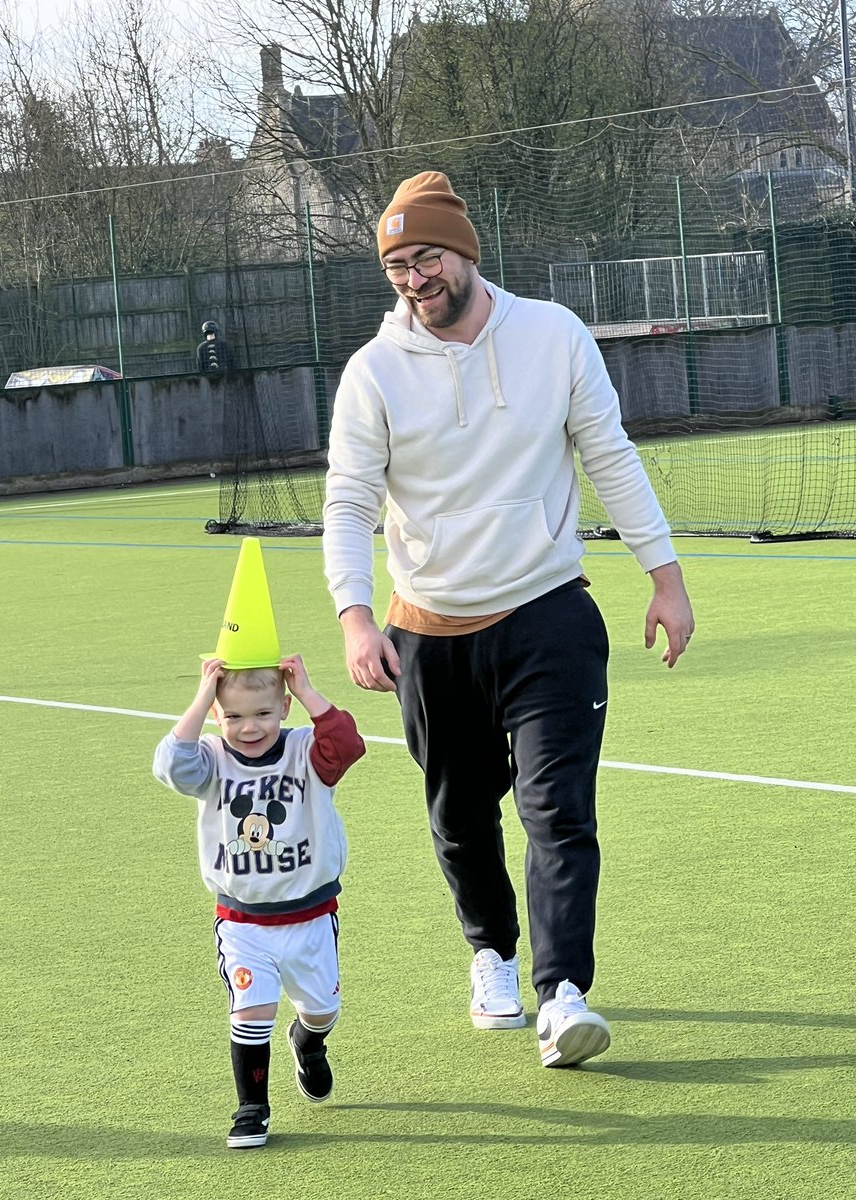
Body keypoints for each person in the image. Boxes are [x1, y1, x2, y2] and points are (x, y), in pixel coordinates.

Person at [322, 171, 695, 1070]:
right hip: (430, 633)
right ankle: (491, 951)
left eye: (431, 257)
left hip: (547, 614)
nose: (417, 278)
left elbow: (609, 454)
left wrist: (666, 578)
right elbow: (348, 500)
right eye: (399, 264)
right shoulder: (373, 372)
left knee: (557, 811)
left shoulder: (553, 336)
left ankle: (563, 995)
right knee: (458, 815)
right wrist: (356, 617)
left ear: (468, 252)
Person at [153, 654, 365, 1147]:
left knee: (321, 1012)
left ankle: (309, 1045)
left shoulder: (305, 750)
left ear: (285, 708)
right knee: (253, 1012)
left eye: (263, 714)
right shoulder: (209, 759)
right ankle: (252, 1109)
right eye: (234, 716)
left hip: (310, 917)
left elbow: (347, 745)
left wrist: (309, 691)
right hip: (243, 921)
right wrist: (204, 695)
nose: (249, 728)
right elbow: (170, 765)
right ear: (216, 716)